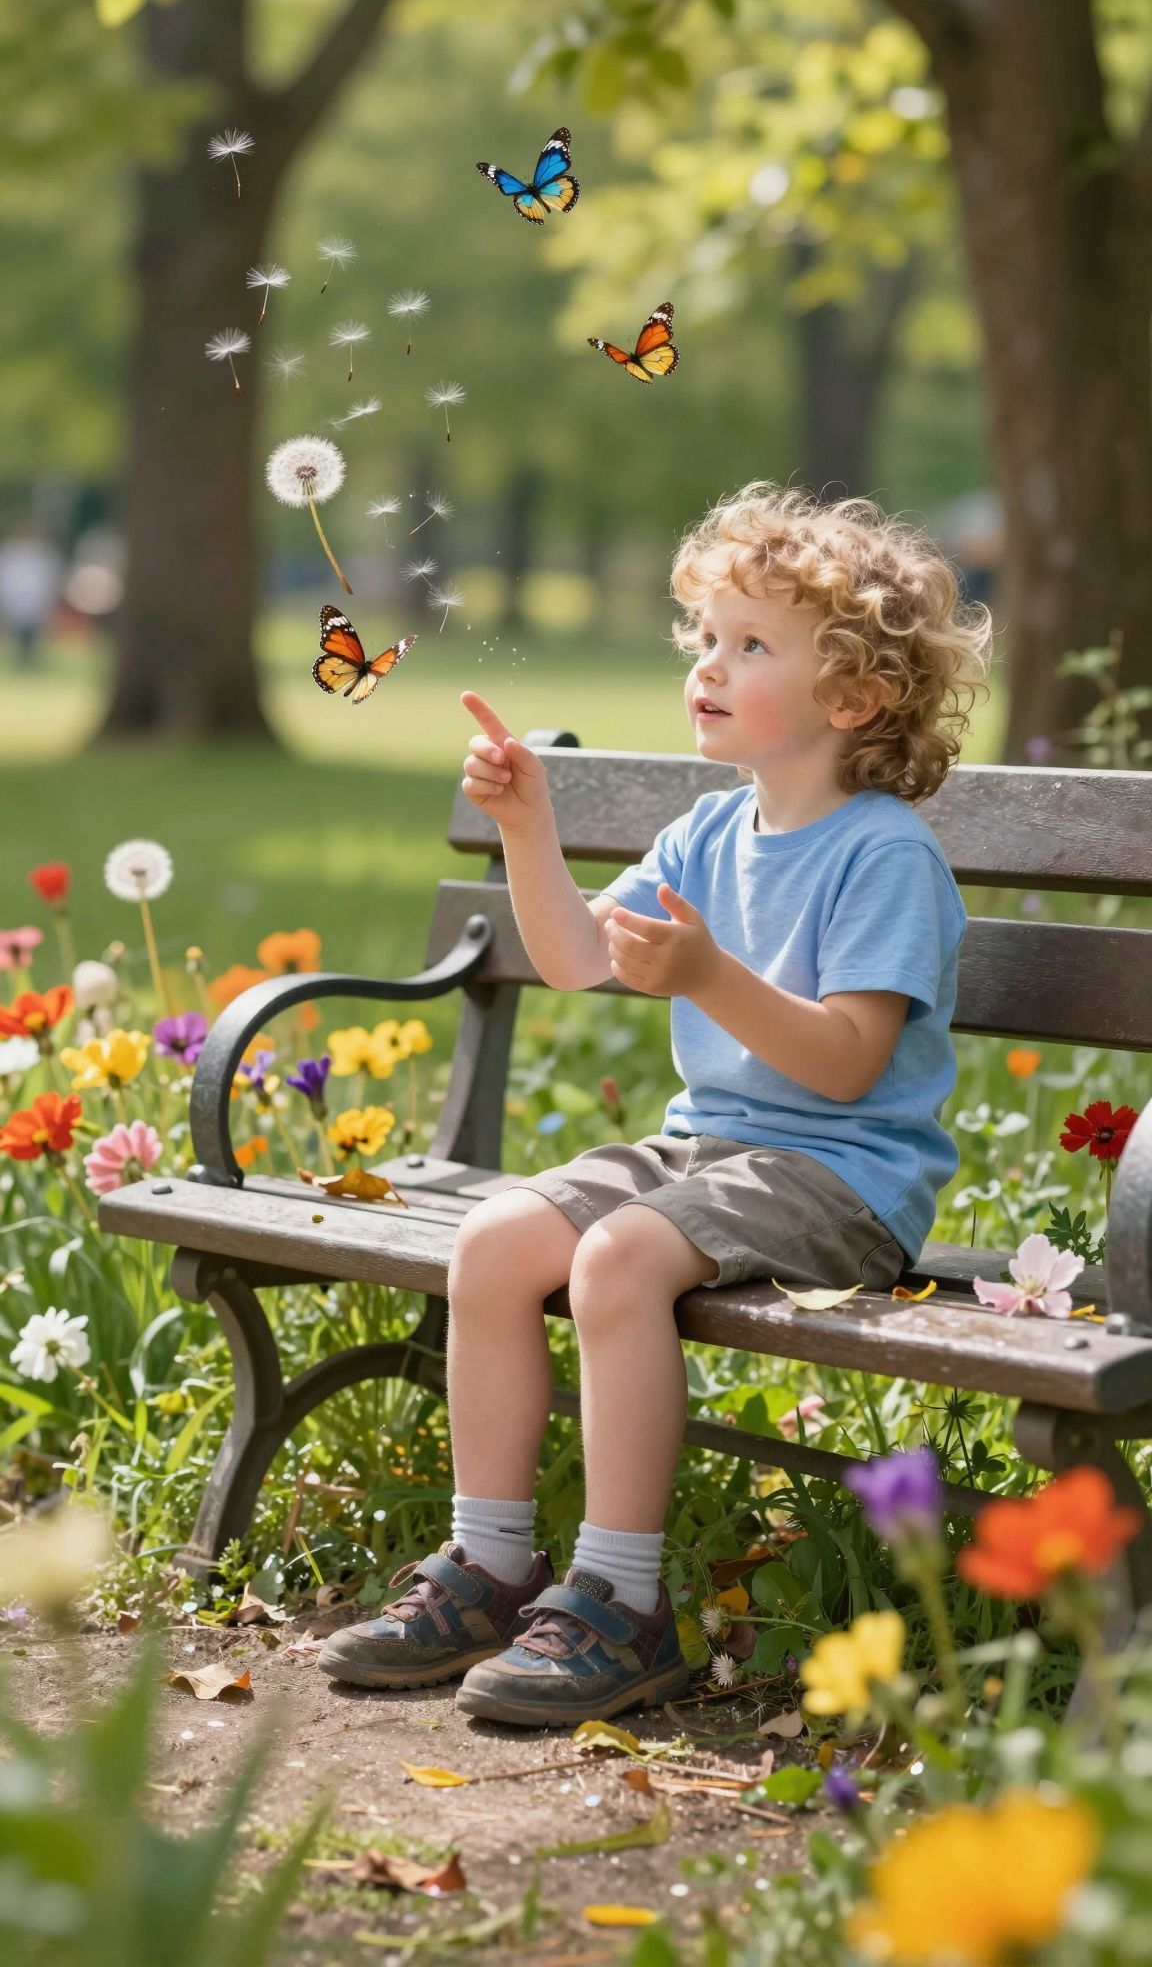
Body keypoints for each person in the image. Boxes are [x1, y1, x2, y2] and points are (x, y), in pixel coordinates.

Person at [318, 483, 993, 1724]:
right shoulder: (708, 831)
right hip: (713, 1151)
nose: (707, 665)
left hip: (844, 1179)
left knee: (618, 1260)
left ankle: (624, 1601)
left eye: (751, 644)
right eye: (704, 638)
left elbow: (847, 1066)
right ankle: (489, 1564)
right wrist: (529, 826)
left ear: (853, 698)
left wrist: (710, 976)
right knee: (494, 1239)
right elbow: (576, 954)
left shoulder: (883, 852)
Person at [0, 516, 64, 668]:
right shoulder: (9, 552)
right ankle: (22, 658)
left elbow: (52, 576)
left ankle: (30, 658)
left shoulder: (44, 553)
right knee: (19, 631)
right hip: (15, 598)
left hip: (36, 599)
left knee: (34, 632)